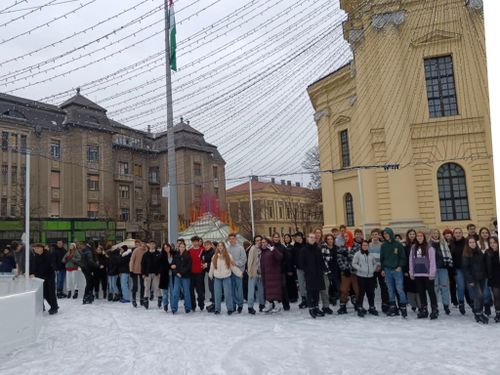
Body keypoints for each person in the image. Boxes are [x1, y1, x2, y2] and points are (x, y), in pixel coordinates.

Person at [409, 232, 438, 319]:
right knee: (421, 292)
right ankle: (424, 309)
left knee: (431, 292)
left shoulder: (429, 247)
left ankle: (434, 309)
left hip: (427, 273)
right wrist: (411, 272)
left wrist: (432, 273)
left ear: (424, 237)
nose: (419, 237)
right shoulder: (413, 247)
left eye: (421, 236)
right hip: (418, 273)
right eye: (418, 236)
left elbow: (432, 261)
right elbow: (411, 260)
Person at [209, 242, 242, 315]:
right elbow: (212, 266)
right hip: (217, 278)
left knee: (228, 294)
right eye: (219, 245)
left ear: (224, 247)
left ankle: (230, 309)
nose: (220, 247)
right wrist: (210, 274)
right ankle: (217, 309)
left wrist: (239, 273)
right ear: (217, 247)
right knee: (217, 294)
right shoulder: (214, 256)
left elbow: (232, 266)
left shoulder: (228, 256)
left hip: (226, 278)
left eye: (221, 245)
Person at [380, 227, 408, 317]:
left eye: (387, 234)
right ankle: (393, 307)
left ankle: (403, 307)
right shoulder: (383, 246)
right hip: (387, 270)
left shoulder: (398, 244)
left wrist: (400, 266)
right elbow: (382, 259)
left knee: (399, 289)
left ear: (391, 234)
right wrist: (383, 269)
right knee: (390, 290)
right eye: (384, 234)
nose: (386, 236)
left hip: (397, 270)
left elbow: (403, 257)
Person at [300, 233, 326, 318]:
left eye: (314, 238)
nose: (312, 239)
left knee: (317, 291)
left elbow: (321, 261)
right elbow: (301, 263)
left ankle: (316, 307)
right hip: (309, 274)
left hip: (318, 274)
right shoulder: (304, 249)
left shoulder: (318, 249)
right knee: (310, 292)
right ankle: (311, 308)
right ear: (307, 238)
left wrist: (323, 269)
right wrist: (307, 270)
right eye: (311, 237)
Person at [463, 237, 488, 324]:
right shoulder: (466, 254)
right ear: (467, 244)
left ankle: (479, 313)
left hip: (482, 277)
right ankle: (478, 313)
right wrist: (470, 280)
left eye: (473, 242)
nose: (472, 244)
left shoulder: (479, 252)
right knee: (479, 296)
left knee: (480, 296)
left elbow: (483, 264)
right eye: (470, 242)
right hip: (473, 279)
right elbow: (466, 269)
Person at [30, 243, 58, 315]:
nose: (36, 249)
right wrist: (31, 273)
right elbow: (34, 266)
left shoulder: (47, 255)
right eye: (35, 248)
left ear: (41, 248)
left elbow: (45, 267)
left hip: (49, 276)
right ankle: (50, 306)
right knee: (45, 293)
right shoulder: (35, 256)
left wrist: (35, 274)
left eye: (37, 248)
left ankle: (54, 307)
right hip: (41, 277)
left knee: (51, 293)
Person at [429, 229, 453, 315]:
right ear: (431, 234)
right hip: (433, 268)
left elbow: (448, 253)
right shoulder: (429, 244)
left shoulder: (443, 243)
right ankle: (435, 306)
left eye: (437, 233)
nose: (435, 235)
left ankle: (446, 305)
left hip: (443, 267)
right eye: (434, 233)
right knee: (435, 288)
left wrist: (448, 263)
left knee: (445, 287)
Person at [352, 240, 379, 317]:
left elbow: (375, 263)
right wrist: (360, 268)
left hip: (370, 276)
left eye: (366, 245)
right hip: (361, 276)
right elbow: (354, 263)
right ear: (361, 246)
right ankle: (360, 307)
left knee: (371, 292)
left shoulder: (371, 254)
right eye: (363, 245)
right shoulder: (358, 254)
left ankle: (372, 307)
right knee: (361, 292)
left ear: (368, 246)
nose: (365, 246)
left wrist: (373, 270)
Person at [336, 230, 359, 315]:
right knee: (344, 290)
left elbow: (357, 258)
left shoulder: (357, 246)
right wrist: (344, 269)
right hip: (345, 272)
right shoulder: (341, 246)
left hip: (355, 272)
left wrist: (348, 255)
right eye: (344, 237)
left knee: (357, 290)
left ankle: (358, 305)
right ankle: (342, 306)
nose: (345, 238)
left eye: (347, 236)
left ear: (350, 236)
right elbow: (339, 259)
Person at [260, 237, 283, 313]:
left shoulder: (272, 249)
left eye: (265, 242)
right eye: (262, 242)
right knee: (267, 291)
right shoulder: (263, 252)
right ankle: (269, 305)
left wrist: (273, 250)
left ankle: (277, 305)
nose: (263, 243)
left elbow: (280, 257)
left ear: (268, 242)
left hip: (274, 274)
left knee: (274, 291)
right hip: (266, 274)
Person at [369, 228, 389, 313]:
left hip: (381, 270)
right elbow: (368, 258)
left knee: (384, 288)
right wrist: (373, 267)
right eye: (373, 234)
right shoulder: (368, 245)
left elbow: (385, 258)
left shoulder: (383, 245)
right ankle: (372, 306)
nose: (374, 236)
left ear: (379, 235)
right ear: (371, 236)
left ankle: (385, 305)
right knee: (371, 288)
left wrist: (382, 267)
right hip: (372, 270)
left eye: (376, 234)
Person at [170, 242, 192, 314]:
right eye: (180, 247)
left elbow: (188, 267)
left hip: (185, 276)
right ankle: (174, 308)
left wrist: (181, 273)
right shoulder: (176, 256)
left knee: (186, 292)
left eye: (183, 247)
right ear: (178, 248)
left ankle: (188, 307)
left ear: (185, 247)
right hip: (177, 277)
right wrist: (176, 273)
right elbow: (173, 266)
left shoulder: (188, 256)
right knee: (175, 292)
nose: (182, 248)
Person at [272, 233, 292, 311]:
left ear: (279, 238)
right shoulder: (270, 247)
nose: (276, 238)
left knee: (283, 287)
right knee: (273, 288)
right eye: (275, 237)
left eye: (277, 237)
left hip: (281, 270)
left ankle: (286, 304)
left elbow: (288, 258)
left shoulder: (282, 247)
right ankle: (274, 304)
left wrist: (288, 269)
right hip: (273, 271)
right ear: (273, 238)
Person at [450, 228, 468, 314]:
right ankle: (461, 302)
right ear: (454, 234)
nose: (458, 234)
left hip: (468, 268)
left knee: (469, 286)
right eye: (456, 233)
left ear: (462, 233)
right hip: (457, 268)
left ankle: (472, 302)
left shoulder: (467, 242)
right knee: (461, 287)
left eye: (459, 232)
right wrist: (452, 269)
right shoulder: (451, 244)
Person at [228, 233, 246, 313]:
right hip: (230, 273)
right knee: (231, 290)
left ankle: (240, 305)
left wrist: (235, 263)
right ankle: (233, 305)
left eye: (233, 238)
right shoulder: (227, 249)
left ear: (235, 239)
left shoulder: (240, 248)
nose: (231, 240)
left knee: (239, 290)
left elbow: (243, 260)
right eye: (230, 239)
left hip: (239, 272)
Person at [477, 227, 494, 315]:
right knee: (486, 290)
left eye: (486, 232)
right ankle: (487, 305)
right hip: (483, 271)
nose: (484, 234)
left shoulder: (493, 242)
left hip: (493, 270)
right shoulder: (477, 244)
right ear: (480, 234)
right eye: (483, 232)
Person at [247, 235, 265, 314]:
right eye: (257, 240)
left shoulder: (263, 248)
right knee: (251, 290)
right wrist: (249, 272)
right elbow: (250, 261)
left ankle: (262, 305)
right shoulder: (253, 249)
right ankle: (250, 307)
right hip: (253, 273)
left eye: (260, 240)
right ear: (254, 241)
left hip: (261, 273)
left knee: (261, 290)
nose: (259, 242)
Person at [403, 229, 420, 312]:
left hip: (418, 269)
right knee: (410, 288)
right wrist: (406, 270)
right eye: (410, 234)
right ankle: (413, 304)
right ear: (408, 235)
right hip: (409, 270)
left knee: (418, 287)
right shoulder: (405, 246)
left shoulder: (419, 245)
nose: (412, 235)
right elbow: (404, 259)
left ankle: (419, 304)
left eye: (413, 234)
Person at [188, 236, 206, 312]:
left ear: (199, 242)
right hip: (191, 273)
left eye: (196, 241)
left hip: (199, 273)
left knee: (200, 290)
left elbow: (206, 259)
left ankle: (201, 304)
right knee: (191, 290)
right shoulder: (189, 251)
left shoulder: (203, 250)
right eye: (193, 242)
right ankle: (193, 305)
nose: (195, 243)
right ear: (192, 242)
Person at [319, 234, 336, 314]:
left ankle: (330, 302)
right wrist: (327, 270)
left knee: (332, 288)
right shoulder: (324, 247)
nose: (330, 240)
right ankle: (326, 306)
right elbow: (323, 261)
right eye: (328, 239)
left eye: (331, 239)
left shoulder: (336, 248)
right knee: (325, 289)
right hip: (326, 271)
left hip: (334, 271)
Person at [485, 236, 500, 323]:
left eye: (494, 242)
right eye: (490, 243)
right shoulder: (487, 252)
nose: (492, 244)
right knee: (496, 296)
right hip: (493, 277)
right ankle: (498, 314)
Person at [129, 241, 147, 308]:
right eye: (142, 244)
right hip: (134, 270)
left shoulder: (146, 250)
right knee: (135, 285)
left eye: (144, 244)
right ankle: (134, 299)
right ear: (140, 244)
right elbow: (132, 260)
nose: (143, 245)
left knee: (143, 285)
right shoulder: (136, 250)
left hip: (142, 271)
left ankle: (142, 299)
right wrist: (131, 270)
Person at [292, 232, 307, 308]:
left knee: (307, 284)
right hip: (299, 268)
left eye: (299, 237)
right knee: (301, 284)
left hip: (307, 268)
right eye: (296, 237)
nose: (298, 238)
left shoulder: (306, 245)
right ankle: (303, 299)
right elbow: (294, 257)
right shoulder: (294, 246)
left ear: (302, 237)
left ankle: (309, 299)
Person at [159, 243, 174, 312]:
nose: (166, 249)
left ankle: (172, 305)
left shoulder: (173, 254)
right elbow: (162, 267)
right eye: (165, 248)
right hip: (164, 276)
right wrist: (170, 266)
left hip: (172, 276)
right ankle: (165, 304)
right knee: (165, 292)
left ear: (170, 247)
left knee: (172, 292)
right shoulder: (161, 256)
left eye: (167, 247)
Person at [283, 233, 298, 302]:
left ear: (290, 238)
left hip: (291, 267)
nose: (286, 239)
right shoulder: (283, 247)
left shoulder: (292, 247)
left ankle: (294, 297)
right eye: (285, 238)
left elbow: (294, 258)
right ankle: (288, 296)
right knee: (287, 283)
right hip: (285, 267)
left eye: (287, 238)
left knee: (292, 283)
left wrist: (293, 267)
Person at [201, 240, 215, 312]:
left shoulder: (213, 252)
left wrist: (207, 264)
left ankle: (215, 304)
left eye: (207, 245)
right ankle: (213, 303)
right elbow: (202, 259)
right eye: (205, 245)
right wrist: (203, 264)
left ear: (211, 245)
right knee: (210, 288)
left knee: (213, 288)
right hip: (208, 272)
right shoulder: (204, 252)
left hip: (213, 273)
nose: (206, 246)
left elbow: (215, 262)